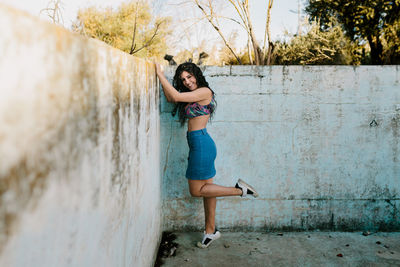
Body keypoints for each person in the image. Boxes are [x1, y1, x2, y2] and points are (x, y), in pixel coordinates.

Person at [155, 62, 258, 248]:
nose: (187, 81)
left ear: (197, 74)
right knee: (208, 190)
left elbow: (176, 96)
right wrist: (164, 80)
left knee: (196, 190)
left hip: (201, 144)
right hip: (200, 143)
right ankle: (211, 231)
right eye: (183, 79)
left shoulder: (204, 92)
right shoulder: (193, 94)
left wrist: (159, 73)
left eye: (189, 77)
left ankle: (240, 190)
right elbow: (172, 98)